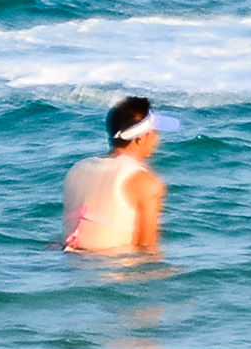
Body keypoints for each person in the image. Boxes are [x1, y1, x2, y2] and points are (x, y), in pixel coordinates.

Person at [61, 96, 175, 253]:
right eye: (154, 133)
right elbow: (146, 250)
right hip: (109, 268)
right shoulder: (144, 183)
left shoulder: (77, 169)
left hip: (66, 263)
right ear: (140, 138)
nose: (157, 140)